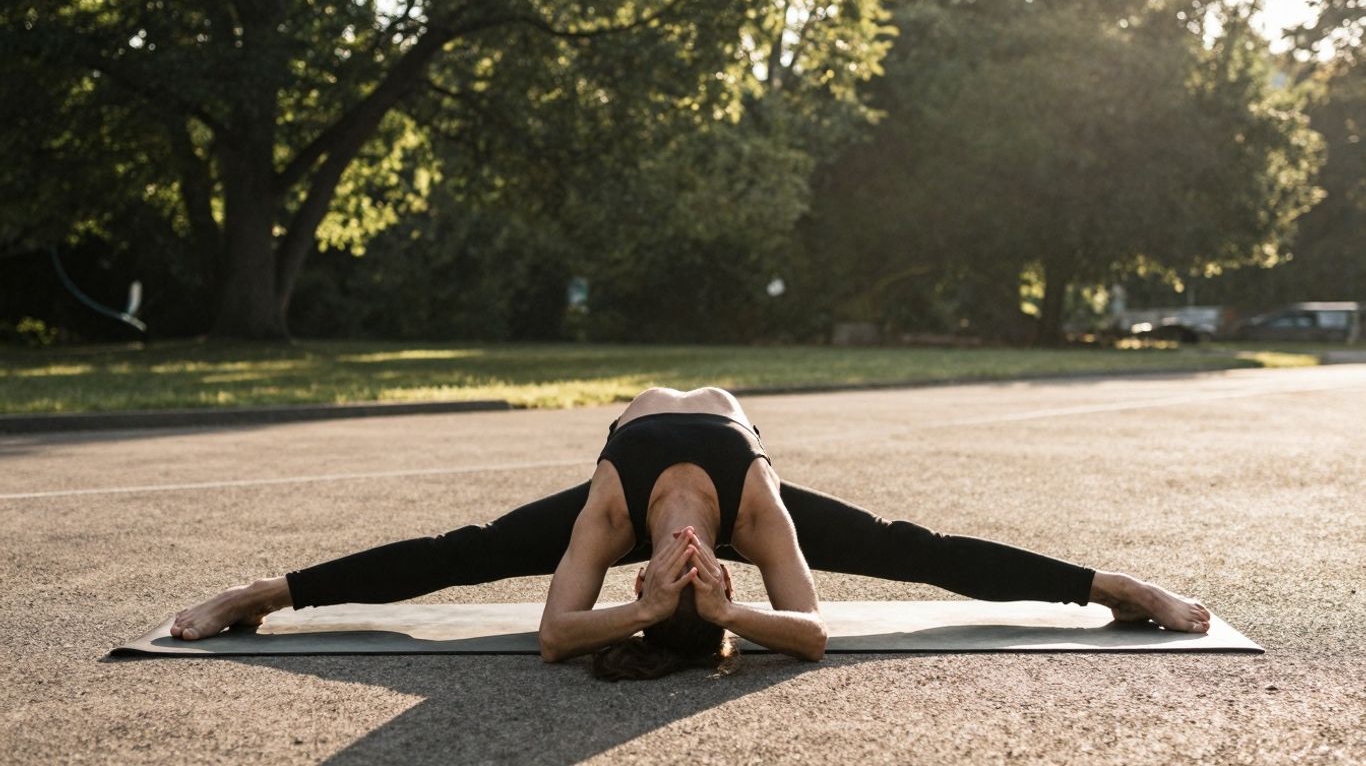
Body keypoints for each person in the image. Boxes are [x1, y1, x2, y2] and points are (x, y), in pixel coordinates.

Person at [171, 387, 1212, 680]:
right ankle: (1118, 586)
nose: (680, 568)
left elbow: (549, 635)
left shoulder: (615, 514)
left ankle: (261, 593)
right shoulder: (757, 514)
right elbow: (808, 629)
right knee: (908, 543)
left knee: (471, 546)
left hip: (640, 448)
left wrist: (647, 605)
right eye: (693, 583)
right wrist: (734, 608)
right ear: (712, 576)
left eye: (669, 583)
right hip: (730, 447)